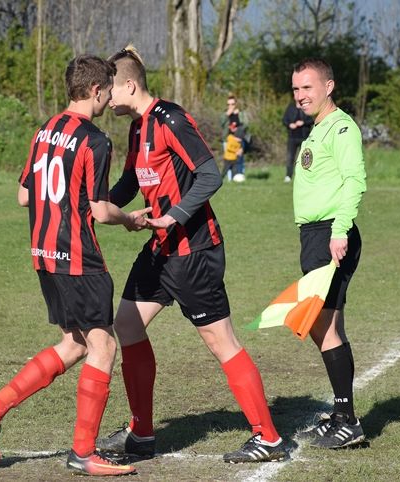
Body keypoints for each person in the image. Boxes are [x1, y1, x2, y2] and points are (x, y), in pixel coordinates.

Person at [95, 45, 288, 464]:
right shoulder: (136, 128)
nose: (106, 98)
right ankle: (142, 434)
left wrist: (175, 216)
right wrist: (97, 204)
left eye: (110, 89)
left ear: (129, 85)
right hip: (161, 250)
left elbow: (209, 173)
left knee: (222, 342)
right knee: (127, 325)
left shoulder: (171, 119)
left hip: (195, 250)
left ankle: (268, 437)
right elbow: (130, 183)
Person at [0, 54, 151, 477]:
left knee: (76, 344)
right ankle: (84, 452)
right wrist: (132, 219)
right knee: (102, 346)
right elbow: (101, 211)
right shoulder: (95, 140)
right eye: (106, 88)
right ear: (95, 91)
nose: (107, 96)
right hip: (79, 258)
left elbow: (24, 196)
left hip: (45, 256)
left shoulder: (44, 130)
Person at [289, 58, 367, 449]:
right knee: (322, 326)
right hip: (315, 237)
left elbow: (355, 180)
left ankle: (348, 421)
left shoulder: (341, 127)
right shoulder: (316, 129)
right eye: (296, 89)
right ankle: (341, 415)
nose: (301, 95)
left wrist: (339, 232)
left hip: (330, 236)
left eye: (308, 87)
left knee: (325, 326)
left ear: (329, 86)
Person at [282, 100, 314, 183]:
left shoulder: (306, 106)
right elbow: (284, 120)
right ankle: (288, 176)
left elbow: (312, 119)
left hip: (304, 138)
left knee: (305, 157)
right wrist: (289, 125)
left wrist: (303, 122)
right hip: (292, 137)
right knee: (290, 157)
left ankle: (306, 176)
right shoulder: (290, 107)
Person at [220, 93, 249, 181]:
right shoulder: (225, 114)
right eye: (228, 104)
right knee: (228, 160)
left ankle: (240, 177)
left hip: (238, 140)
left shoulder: (241, 113)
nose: (230, 106)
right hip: (228, 140)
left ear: (236, 104)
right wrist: (227, 115)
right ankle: (230, 179)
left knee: (239, 159)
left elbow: (246, 124)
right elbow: (221, 123)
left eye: (232, 104)